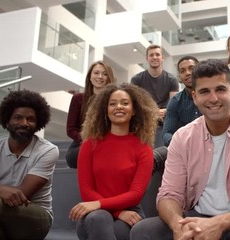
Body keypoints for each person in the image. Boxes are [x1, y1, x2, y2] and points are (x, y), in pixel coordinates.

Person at [130, 59, 230, 240]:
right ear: (195, 97)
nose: (213, 98)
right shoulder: (182, 138)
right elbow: (169, 194)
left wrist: (219, 223)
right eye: (205, 92)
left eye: (220, 89)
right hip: (196, 220)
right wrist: (178, 226)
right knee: (143, 231)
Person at [69, 83, 159, 240]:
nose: (119, 107)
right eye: (112, 104)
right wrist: (117, 212)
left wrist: (109, 209)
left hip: (130, 213)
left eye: (125, 103)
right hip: (93, 214)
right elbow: (86, 190)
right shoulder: (89, 144)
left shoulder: (144, 149)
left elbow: (135, 194)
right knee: (99, 218)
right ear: (105, 110)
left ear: (134, 110)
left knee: (116, 229)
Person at [0, 90, 58, 239]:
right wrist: (0, 190)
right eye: (18, 118)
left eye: (30, 119)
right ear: (7, 120)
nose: (24, 123)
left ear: (38, 122)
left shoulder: (47, 150)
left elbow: (21, 194)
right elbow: (4, 194)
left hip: (34, 219)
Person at [65, 60, 116, 168]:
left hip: (108, 145)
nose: (100, 76)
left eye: (105, 74)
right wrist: (89, 139)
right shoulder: (78, 98)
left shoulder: (115, 100)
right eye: (96, 73)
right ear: (90, 76)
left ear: (109, 78)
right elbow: (71, 130)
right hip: (82, 145)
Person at [131, 44, 179, 147]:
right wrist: (153, 112)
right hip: (144, 121)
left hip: (164, 121)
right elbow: (135, 104)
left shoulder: (172, 80)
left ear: (162, 58)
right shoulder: (137, 80)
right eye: (151, 55)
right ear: (147, 58)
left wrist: (163, 112)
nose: (154, 57)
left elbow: (173, 105)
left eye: (157, 54)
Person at [162, 56, 201, 147]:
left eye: (191, 68)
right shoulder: (175, 101)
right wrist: (182, 145)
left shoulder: (212, 95)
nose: (188, 73)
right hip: (185, 149)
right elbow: (167, 134)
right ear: (179, 77)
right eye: (182, 71)